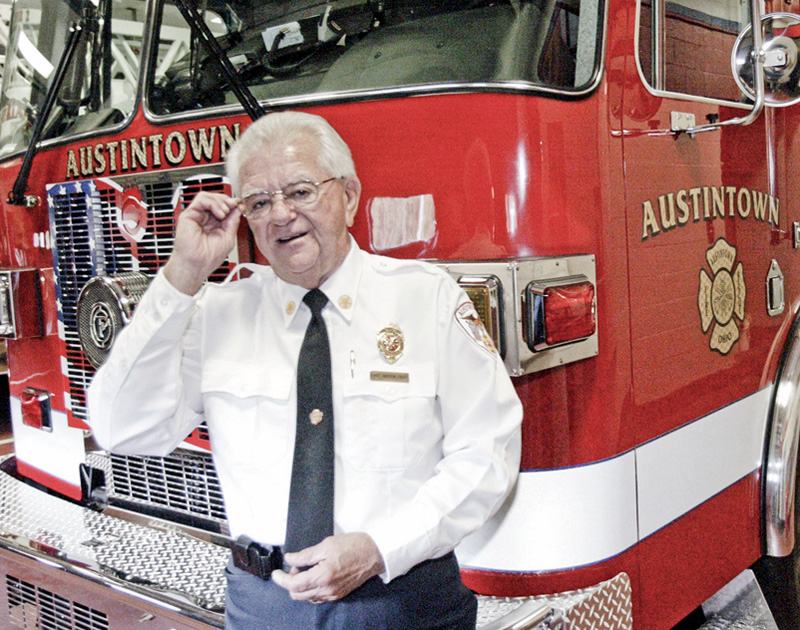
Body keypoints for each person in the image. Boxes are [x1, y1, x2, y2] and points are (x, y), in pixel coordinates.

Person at [87, 111, 522, 630]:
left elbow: (488, 452)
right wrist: (181, 277)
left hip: (403, 601)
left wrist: (381, 548)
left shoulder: (426, 298)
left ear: (350, 196)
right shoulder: (217, 315)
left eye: (300, 192)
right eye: (259, 202)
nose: (280, 215)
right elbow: (120, 427)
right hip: (263, 605)